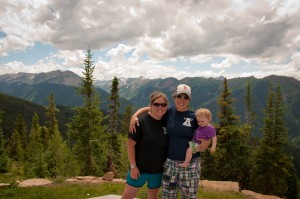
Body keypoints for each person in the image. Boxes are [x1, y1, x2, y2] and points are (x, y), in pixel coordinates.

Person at [130, 84, 211, 199]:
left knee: (189, 196)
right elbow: (150, 108)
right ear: (174, 97)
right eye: (179, 96)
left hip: (190, 165)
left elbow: (207, 131)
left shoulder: (194, 117)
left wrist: (199, 147)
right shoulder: (168, 112)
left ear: (189, 100)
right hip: (170, 164)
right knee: (168, 196)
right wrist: (135, 116)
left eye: (185, 97)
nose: (182, 100)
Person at [122, 91, 169, 199]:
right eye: (156, 104)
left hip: (158, 170)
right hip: (139, 169)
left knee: (153, 196)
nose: (160, 107)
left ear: (166, 106)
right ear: (151, 105)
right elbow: (130, 145)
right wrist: (133, 166)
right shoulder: (139, 122)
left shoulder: (167, 120)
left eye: (163, 104)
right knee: (127, 196)